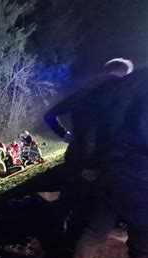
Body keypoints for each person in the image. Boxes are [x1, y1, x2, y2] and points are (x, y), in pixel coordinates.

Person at [63, 68, 148, 258]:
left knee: (96, 227)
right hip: (141, 178)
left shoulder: (126, 86)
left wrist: (91, 162)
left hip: (112, 170)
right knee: (144, 252)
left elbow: (97, 126)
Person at [43, 58, 133, 239]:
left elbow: (50, 115)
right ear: (125, 75)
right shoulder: (124, 98)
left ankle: (56, 233)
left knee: (68, 197)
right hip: (100, 161)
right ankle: (72, 244)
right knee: (88, 206)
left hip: (76, 156)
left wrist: (65, 135)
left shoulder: (84, 92)